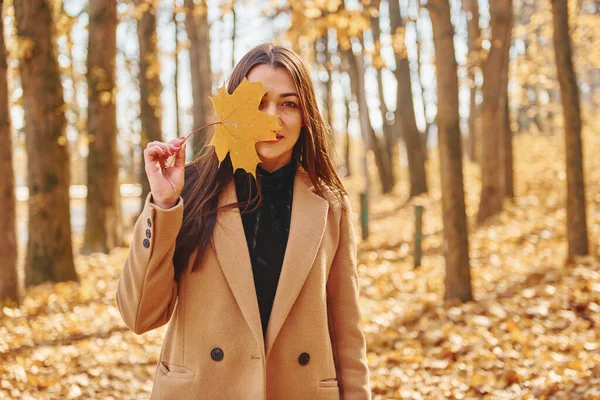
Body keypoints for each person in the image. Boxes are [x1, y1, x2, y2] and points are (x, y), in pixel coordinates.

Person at [116, 43, 371, 400]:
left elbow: (347, 334)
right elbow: (140, 315)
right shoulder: (192, 191)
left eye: (288, 103)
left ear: (306, 115)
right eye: (258, 103)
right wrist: (163, 203)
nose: (273, 118)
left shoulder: (330, 204)